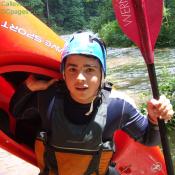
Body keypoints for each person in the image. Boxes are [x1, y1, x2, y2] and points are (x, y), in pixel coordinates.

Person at [9, 32, 174, 175]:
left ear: (102, 74)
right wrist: (27, 88)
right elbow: (16, 112)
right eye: (72, 69)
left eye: (89, 70)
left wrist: (155, 119)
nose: (80, 78)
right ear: (63, 74)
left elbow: (148, 139)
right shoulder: (48, 97)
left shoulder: (117, 107)